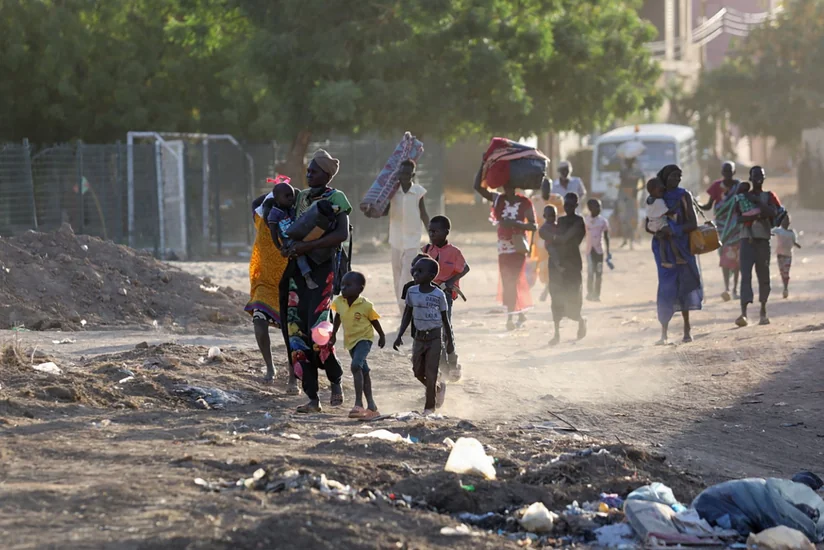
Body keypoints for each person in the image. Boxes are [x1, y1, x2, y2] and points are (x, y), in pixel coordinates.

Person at [279, 149, 352, 414]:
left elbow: (341, 234)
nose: (309, 174)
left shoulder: (336, 198)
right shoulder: (299, 197)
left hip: (323, 271)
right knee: (296, 333)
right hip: (297, 273)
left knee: (319, 332)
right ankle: (312, 398)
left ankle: (335, 380)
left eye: (314, 171)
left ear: (327, 174)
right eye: (308, 171)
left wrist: (307, 247)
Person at [645, 166, 702, 344]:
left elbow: (692, 223)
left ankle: (687, 329)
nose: (676, 179)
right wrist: (658, 232)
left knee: (684, 286)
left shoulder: (684, 195)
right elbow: (648, 223)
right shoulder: (655, 197)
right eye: (673, 176)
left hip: (682, 247)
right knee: (666, 288)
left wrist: (674, 230)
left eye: (679, 176)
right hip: (663, 250)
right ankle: (664, 332)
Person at [474, 176, 537, 331]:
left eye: (510, 185)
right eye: (505, 185)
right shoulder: (498, 199)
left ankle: (510, 316)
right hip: (503, 247)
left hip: (518, 246)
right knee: (507, 279)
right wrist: (483, 163)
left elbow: (533, 225)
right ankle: (519, 312)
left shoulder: (524, 202)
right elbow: (478, 187)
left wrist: (516, 224)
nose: (507, 188)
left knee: (512, 279)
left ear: (515, 186)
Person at [393, 257, 454, 415]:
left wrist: (449, 342)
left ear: (431, 275)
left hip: (434, 338)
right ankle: (435, 388)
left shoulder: (438, 294)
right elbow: (407, 314)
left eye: (420, 271)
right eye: (414, 270)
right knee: (417, 371)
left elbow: (445, 319)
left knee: (431, 372)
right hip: (419, 338)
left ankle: (429, 408)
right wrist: (399, 334)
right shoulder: (411, 291)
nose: (415, 273)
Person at [246, 177, 292, 387]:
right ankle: (270, 366)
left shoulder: (291, 224)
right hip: (264, 283)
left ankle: (294, 374)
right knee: (259, 322)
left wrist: (284, 193)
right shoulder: (259, 219)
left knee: (291, 332)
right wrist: (276, 192)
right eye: (269, 208)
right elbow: (256, 202)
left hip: (289, 282)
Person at [330, 271, 386, 420]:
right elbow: (338, 317)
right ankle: (372, 406)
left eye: (348, 285)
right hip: (350, 341)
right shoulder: (339, 302)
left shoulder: (366, 305)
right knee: (363, 370)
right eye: (342, 284)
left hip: (364, 339)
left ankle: (358, 404)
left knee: (356, 366)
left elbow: (374, 320)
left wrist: (381, 335)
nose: (343, 288)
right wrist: (334, 334)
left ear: (360, 289)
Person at [423, 215, 469, 381]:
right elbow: (418, 269)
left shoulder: (454, 252)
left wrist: (450, 282)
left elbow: (465, 268)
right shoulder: (427, 250)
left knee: (445, 329)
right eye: (430, 231)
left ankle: (453, 362)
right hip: (428, 296)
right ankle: (441, 366)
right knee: (432, 330)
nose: (431, 234)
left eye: (435, 231)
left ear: (446, 232)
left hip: (445, 296)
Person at [736, 166, 781, 327]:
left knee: (764, 276)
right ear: (750, 177)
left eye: (761, 176)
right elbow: (738, 219)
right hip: (746, 240)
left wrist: (756, 203)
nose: (758, 179)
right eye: (755, 176)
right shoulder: (741, 197)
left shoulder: (768, 196)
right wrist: (760, 214)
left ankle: (763, 310)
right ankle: (744, 313)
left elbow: (774, 213)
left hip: (762, 240)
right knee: (746, 276)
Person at [542, 193, 587, 345]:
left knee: (573, 296)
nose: (568, 207)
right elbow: (543, 232)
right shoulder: (559, 221)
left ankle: (580, 320)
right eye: (566, 205)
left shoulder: (579, 221)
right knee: (556, 297)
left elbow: (565, 238)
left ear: (576, 205)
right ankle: (556, 333)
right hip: (557, 264)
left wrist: (553, 238)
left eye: (571, 205)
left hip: (572, 263)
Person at [388, 159, 430, 314]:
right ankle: (402, 310)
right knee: (397, 275)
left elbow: (424, 214)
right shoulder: (392, 192)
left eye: (407, 173)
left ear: (412, 174)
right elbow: (384, 210)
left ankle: (407, 308)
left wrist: (431, 234)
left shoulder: (418, 192)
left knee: (407, 275)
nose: (404, 176)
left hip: (413, 240)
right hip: (396, 239)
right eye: (402, 173)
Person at [700, 161, 742, 301]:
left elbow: (744, 203)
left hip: (736, 227)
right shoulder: (716, 186)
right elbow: (707, 206)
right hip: (723, 228)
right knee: (725, 257)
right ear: (722, 173)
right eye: (725, 173)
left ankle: (735, 288)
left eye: (730, 172)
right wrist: (695, 203)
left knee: (737, 259)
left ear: (734, 172)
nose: (727, 175)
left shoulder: (739, 186)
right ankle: (727, 288)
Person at [265, 179, 317, 290]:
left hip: (299, 235)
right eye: (287, 196)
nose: (290, 198)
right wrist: (279, 246)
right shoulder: (274, 213)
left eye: (292, 196)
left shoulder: (292, 208)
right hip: (288, 240)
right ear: (277, 198)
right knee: (299, 254)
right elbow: (273, 232)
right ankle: (307, 276)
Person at [646, 178, 686, 268]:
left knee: (663, 241)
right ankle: (678, 257)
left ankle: (664, 260)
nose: (662, 191)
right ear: (653, 190)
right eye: (660, 190)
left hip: (652, 224)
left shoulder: (649, 200)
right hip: (660, 224)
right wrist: (677, 205)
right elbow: (668, 212)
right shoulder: (659, 201)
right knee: (672, 236)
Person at [584, 198, 611, 302]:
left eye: (600, 206)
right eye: (597, 206)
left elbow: (606, 236)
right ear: (590, 208)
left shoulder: (603, 221)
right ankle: (590, 293)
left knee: (598, 273)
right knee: (591, 272)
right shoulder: (586, 221)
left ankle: (597, 294)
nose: (600, 209)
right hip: (589, 251)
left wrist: (608, 251)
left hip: (599, 251)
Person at [616, 157, 645, 249]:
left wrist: (637, 189)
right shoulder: (623, 171)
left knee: (633, 218)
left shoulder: (637, 171)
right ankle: (625, 239)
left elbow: (643, 183)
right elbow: (622, 183)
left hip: (632, 196)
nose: (628, 164)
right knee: (624, 218)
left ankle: (632, 240)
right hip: (624, 196)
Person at [773, 214, 801, 299]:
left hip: (788, 255)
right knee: (782, 272)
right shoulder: (778, 231)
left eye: (787, 221)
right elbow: (770, 232)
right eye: (784, 221)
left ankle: (785, 288)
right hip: (780, 255)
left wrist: (797, 245)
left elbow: (794, 242)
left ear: (789, 223)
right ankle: (785, 287)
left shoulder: (792, 233)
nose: (785, 223)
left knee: (786, 272)